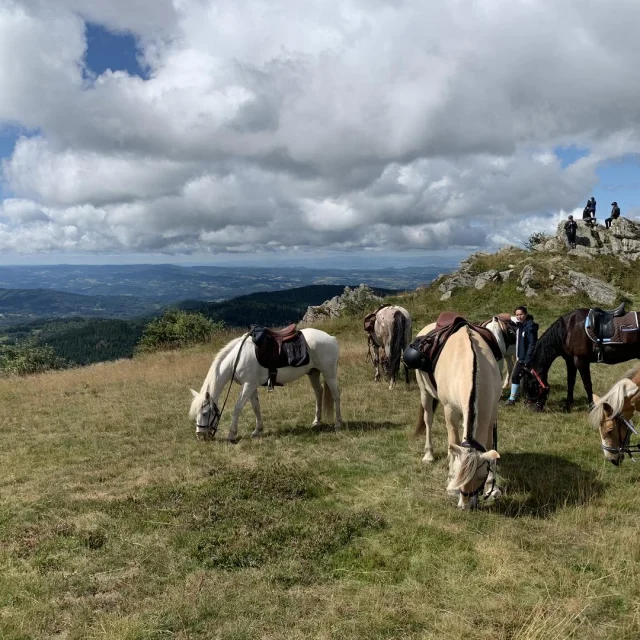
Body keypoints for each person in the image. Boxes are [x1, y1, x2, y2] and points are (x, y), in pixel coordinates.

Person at [505, 306, 539, 406]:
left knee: (517, 377)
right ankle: (518, 398)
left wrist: (527, 360)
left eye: (521, 314)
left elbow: (532, 344)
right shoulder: (521, 325)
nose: (519, 316)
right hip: (521, 358)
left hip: (527, 359)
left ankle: (514, 399)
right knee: (521, 378)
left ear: (526, 314)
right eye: (517, 315)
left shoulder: (530, 326)